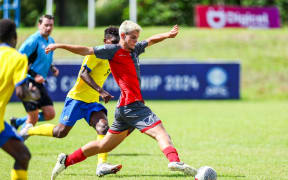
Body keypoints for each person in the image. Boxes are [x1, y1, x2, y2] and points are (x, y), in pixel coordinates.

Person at [46, 20, 197, 180]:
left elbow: (151, 40)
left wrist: (167, 35)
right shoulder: (112, 50)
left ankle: (66, 160)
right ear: (123, 36)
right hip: (133, 106)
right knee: (161, 133)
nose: (136, 41)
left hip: (124, 108)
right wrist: (59, 45)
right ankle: (175, 161)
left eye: (137, 38)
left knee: (104, 145)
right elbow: (86, 50)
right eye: (133, 38)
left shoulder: (135, 48)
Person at [21, 26, 122, 177]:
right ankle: (28, 130)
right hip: (76, 99)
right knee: (60, 132)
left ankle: (101, 165)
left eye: (117, 43)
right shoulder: (96, 53)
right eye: (112, 42)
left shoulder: (113, 55)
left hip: (92, 102)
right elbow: (83, 74)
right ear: (105, 41)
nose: (115, 46)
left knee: (103, 127)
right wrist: (101, 91)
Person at [10, 15, 59, 133]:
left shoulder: (51, 41)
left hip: (38, 82)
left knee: (50, 114)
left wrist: (52, 68)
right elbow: (19, 59)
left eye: (51, 25)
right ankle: (19, 143)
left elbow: (45, 58)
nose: (48, 28)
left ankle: (17, 122)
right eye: (46, 25)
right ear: (39, 25)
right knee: (33, 117)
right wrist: (34, 75)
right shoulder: (33, 40)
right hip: (27, 81)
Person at [0, 19, 31, 180]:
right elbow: (21, 92)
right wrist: (32, 92)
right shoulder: (17, 58)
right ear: (14, 38)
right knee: (23, 156)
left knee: (22, 155)